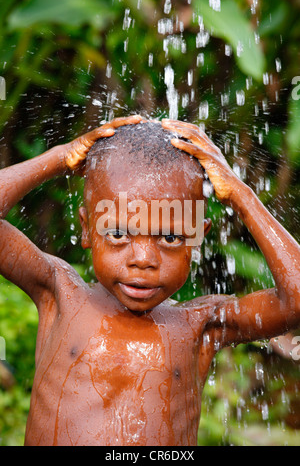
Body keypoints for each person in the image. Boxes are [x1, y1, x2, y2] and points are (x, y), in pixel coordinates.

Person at [0, 115, 299, 446]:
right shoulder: (58, 292)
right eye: (117, 233)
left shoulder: (201, 325)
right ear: (87, 228)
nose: (143, 259)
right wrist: (60, 157)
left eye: (170, 237)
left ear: (197, 238)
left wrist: (240, 195)